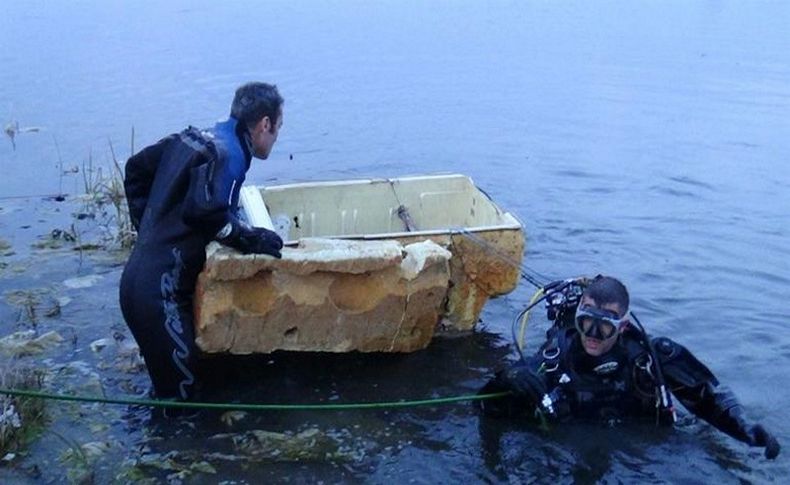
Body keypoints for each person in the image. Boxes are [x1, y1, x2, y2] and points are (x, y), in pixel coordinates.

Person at [478, 275, 780, 459]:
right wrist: (507, 379)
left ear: (622, 327)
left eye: (604, 328)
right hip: (576, 448)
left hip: (644, 449)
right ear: (577, 318)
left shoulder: (650, 357)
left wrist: (744, 428)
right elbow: (486, 407)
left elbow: (708, 397)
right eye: (586, 324)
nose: (592, 337)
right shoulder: (557, 356)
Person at [120, 82, 285, 401]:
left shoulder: (195, 138)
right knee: (184, 403)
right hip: (159, 299)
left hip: (136, 284)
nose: (276, 137)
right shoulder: (230, 156)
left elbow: (135, 169)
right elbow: (204, 210)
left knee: (170, 391)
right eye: (278, 128)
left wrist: (149, 229)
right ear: (265, 124)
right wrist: (247, 237)